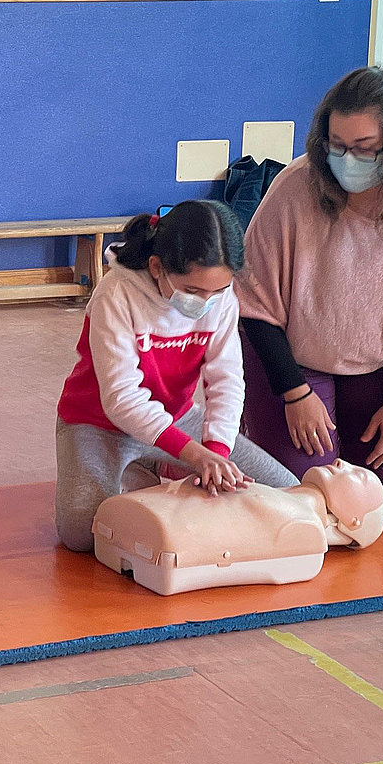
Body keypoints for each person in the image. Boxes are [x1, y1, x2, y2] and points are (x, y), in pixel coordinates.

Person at [237, 67, 383, 505]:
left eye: (364, 149)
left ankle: (345, 419)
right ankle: (255, 418)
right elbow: (253, 306)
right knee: (305, 486)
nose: (347, 159)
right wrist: (295, 393)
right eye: (336, 146)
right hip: (295, 356)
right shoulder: (295, 187)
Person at [55, 200, 298, 553]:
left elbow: (227, 381)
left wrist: (214, 452)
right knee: (82, 532)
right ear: (157, 268)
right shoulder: (117, 293)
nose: (206, 302)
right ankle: (157, 464)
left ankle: (160, 467)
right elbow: (121, 398)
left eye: (217, 291)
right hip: (96, 423)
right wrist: (195, 456)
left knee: (285, 491)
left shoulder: (222, 300)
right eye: (194, 291)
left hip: (177, 419)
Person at [93, 459, 383, 595]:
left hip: (167, 529)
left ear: (354, 522)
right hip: (166, 517)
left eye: (357, 476)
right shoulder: (289, 500)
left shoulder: (305, 527)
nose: (340, 461)